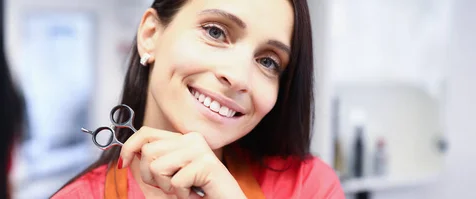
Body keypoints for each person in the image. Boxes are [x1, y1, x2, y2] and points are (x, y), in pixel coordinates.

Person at [53, 0, 344, 198]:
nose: (239, 77)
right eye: (215, 32)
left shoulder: (310, 187)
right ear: (151, 35)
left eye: (268, 61)